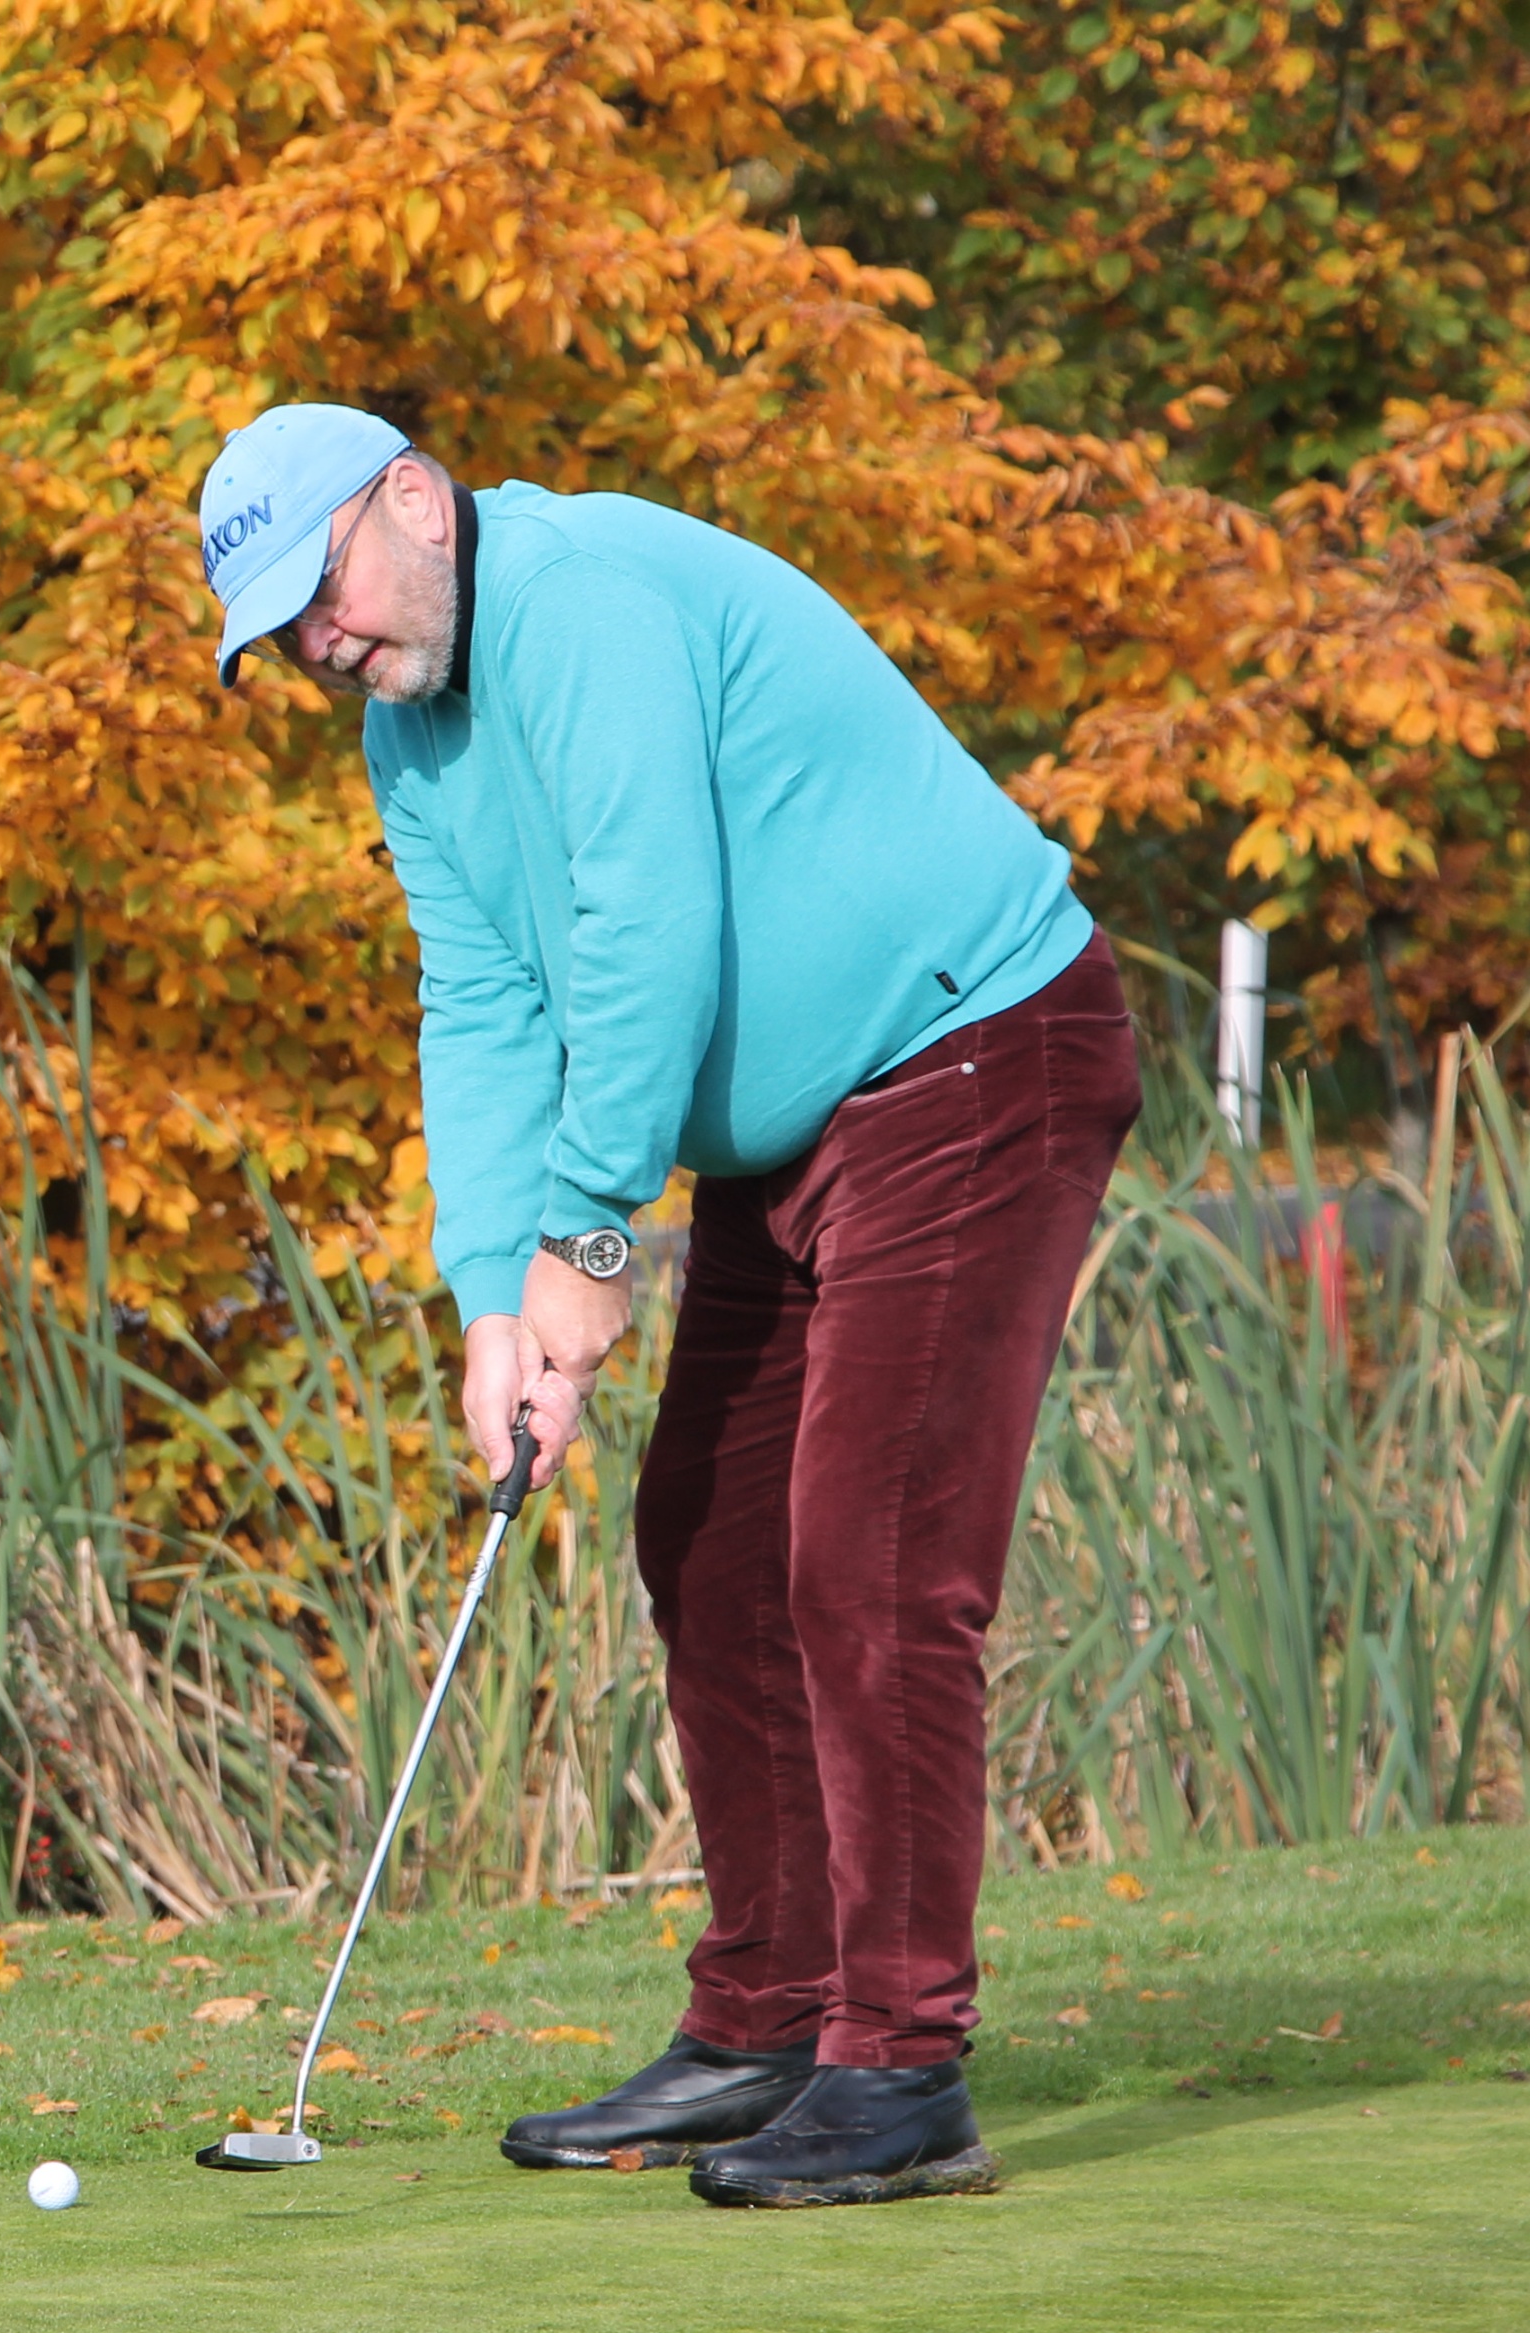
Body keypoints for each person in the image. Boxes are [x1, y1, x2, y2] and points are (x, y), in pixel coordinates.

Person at [195, 406, 1139, 2206]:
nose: (319, 647)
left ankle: (900, 2066)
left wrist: (591, 1238)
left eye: (321, 592)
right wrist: (496, 1300)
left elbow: (649, 928)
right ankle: (770, 2023)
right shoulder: (411, 730)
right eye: (283, 637)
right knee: (706, 1544)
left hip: (974, 1056)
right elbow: (481, 1001)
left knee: (867, 1562)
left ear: (414, 502)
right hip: (798, 1136)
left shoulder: (580, 602)